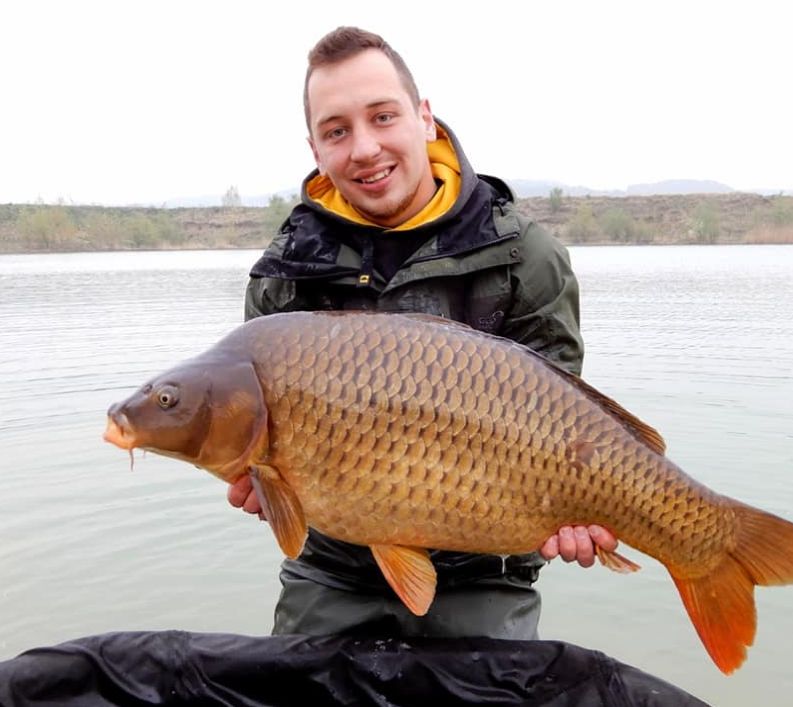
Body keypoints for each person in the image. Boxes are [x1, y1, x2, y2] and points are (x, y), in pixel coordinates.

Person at [227, 26, 618, 640]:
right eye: (337, 131)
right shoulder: (285, 271)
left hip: (487, 571)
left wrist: (578, 509)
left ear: (425, 118)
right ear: (315, 149)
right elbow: (264, 451)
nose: (364, 148)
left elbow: (561, 421)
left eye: (383, 117)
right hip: (331, 572)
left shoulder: (526, 256)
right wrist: (271, 486)